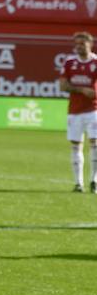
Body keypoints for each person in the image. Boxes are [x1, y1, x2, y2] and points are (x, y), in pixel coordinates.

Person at [58, 31, 97, 192]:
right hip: (74, 110)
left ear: (90, 44)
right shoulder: (69, 63)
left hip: (93, 109)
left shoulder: (95, 62)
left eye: (82, 43)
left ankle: (94, 181)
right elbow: (63, 86)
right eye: (77, 44)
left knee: (95, 143)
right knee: (76, 146)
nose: (79, 47)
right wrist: (82, 90)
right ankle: (78, 183)